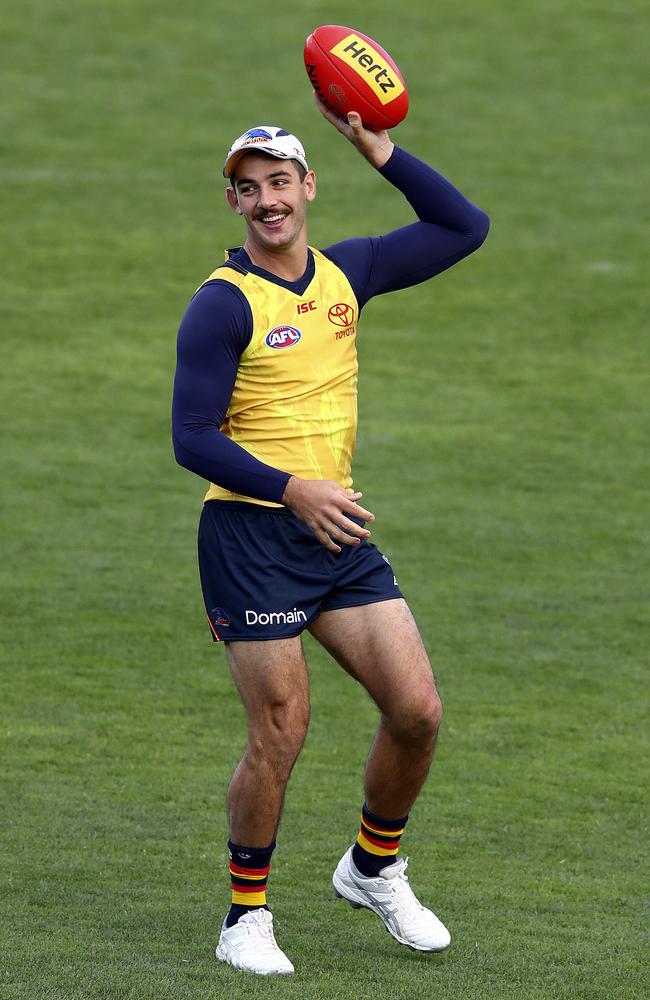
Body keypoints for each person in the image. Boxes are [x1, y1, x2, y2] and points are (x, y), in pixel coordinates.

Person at [172, 98, 489, 976]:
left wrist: (381, 149)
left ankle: (371, 867)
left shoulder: (349, 273)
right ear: (231, 202)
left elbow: (465, 227)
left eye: (280, 182)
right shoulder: (222, 304)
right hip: (250, 536)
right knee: (282, 729)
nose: (268, 200)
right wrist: (291, 489)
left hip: (334, 530)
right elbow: (190, 436)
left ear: (309, 186)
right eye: (249, 188)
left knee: (417, 711)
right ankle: (245, 916)